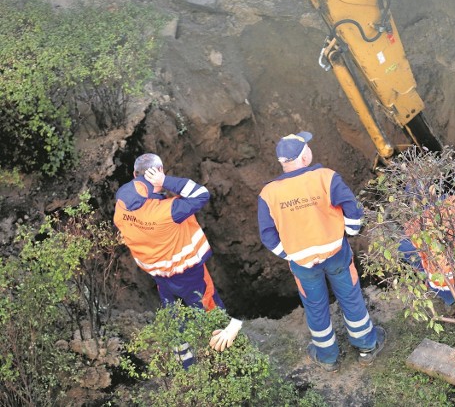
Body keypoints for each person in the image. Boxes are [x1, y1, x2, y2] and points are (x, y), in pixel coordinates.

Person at [257, 132, 385, 372]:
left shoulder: (269, 193)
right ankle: (366, 346)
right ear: (304, 155)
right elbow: (353, 209)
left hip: (302, 264)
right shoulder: (326, 177)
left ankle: (327, 357)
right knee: (350, 297)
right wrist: (349, 232)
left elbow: (267, 235)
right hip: (336, 253)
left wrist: (290, 254)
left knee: (315, 306)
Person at [113, 153, 241, 369]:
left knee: (174, 318)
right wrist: (165, 183)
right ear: (159, 172)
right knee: (208, 309)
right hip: (188, 273)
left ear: (134, 175)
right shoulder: (168, 211)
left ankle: (187, 366)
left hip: (159, 276)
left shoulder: (122, 208)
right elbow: (201, 194)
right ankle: (223, 358)